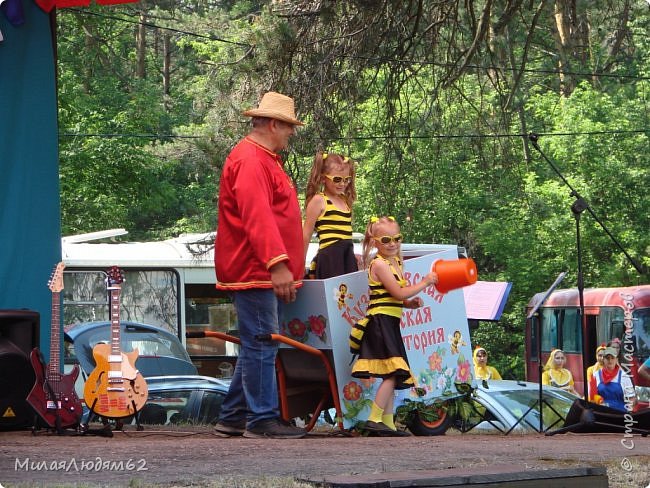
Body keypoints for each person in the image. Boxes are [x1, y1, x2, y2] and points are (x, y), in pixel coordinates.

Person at [213, 91, 306, 439]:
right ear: (272, 123)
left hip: (258, 267)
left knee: (257, 341)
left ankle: (235, 415)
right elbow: (257, 217)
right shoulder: (252, 160)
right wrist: (277, 264)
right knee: (263, 342)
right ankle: (261, 419)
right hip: (254, 269)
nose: (291, 133)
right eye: (288, 127)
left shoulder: (263, 158)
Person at [350, 216, 438, 436]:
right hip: (379, 323)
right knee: (393, 373)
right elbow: (397, 292)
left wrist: (409, 304)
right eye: (386, 239)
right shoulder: (379, 264)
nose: (392, 244)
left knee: (392, 374)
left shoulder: (396, 263)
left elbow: (396, 298)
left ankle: (387, 423)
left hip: (390, 321)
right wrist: (425, 283)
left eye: (397, 239)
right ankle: (374, 418)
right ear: (375, 242)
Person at [302, 151, 357, 279]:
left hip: (347, 257)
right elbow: (306, 235)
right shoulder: (319, 200)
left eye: (346, 180)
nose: (342, 184)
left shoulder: (345, 200)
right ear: (323, 178)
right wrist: (300, 265)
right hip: (330, 259)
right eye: (337, 179)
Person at [589, 347, 637, 412]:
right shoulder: (595, 375)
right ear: (603, 359)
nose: (610, 361)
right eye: (607, 358)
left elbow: (632, 398)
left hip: (619, 415)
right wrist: (598, 401)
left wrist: (628, 411)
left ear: (616, 359)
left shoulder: (624, 376)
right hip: (601, 414)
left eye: (612, 358)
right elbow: (591, 397)